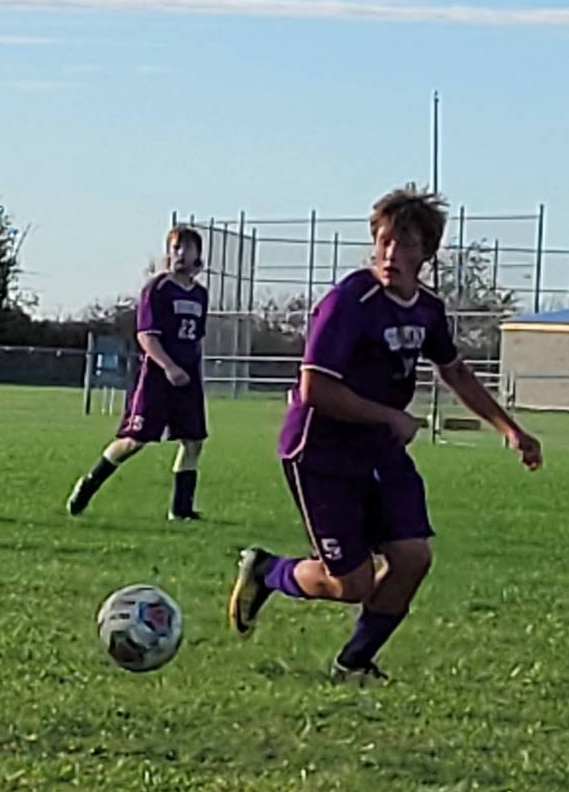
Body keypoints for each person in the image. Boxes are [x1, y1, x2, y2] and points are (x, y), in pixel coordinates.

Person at [227, 185, 543, 684]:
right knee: (349, 583)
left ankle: (353, 664)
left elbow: (455, 371)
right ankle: (268, 571)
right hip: (321, 450)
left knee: (413, 556)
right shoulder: (349, 302)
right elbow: (315, 390)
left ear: (428, 255)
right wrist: (389, 417)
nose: (392, 253)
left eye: (407, 244)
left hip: (378, 450)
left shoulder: (427, 310)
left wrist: (511, 429)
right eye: (385, 240)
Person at [67, 225, 209, 521]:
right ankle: (88, 484)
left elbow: (195, 338)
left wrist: (192, 371)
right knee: (135, 440)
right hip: (158, 376)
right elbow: (146, 335)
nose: (180, 254)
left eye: (187, 248)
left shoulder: (200, 294)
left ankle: (180, 510)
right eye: (175, 248)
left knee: (193, 440)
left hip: (188, 378)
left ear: (198, 254)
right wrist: (169, 367)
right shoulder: (157, 289)